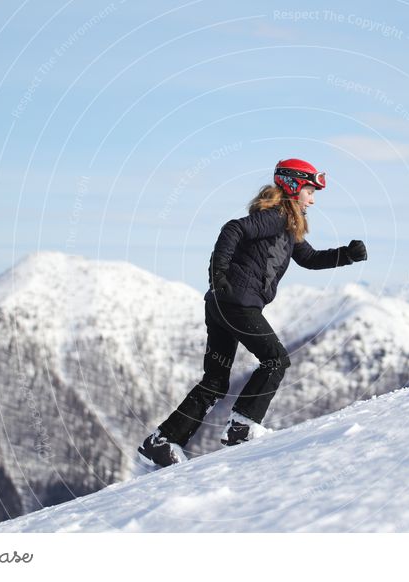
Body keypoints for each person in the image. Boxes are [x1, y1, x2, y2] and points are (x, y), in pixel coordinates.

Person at [138, 158, 368, 467]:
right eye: (310, 191)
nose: (313, 199)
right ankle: (243, 425)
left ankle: (163, 441)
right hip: (236, 302)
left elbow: (310, 258)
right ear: (294, 186)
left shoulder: (288, 229)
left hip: (222, 304)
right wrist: (218, 274)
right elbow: (232, 229)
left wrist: (346, 255)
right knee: (275, 359)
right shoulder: (274, 218)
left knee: (216, 381)